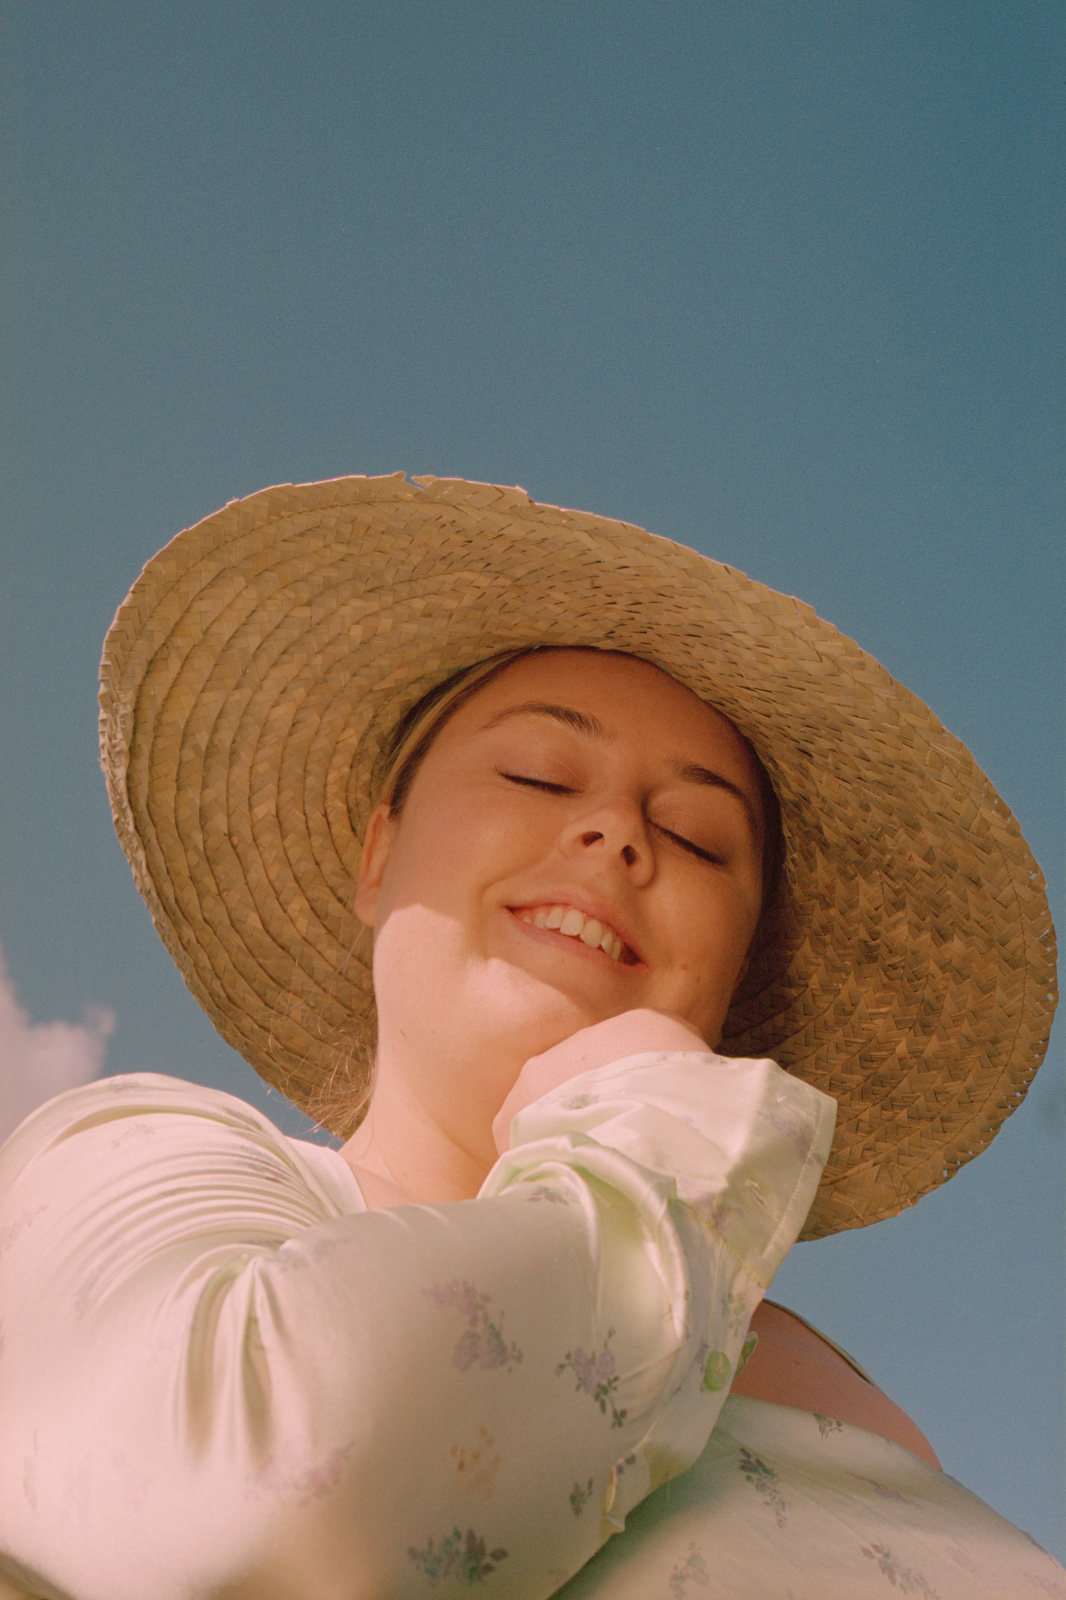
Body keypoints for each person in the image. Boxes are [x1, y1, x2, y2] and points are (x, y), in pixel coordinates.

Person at [0, 474, 1059, 1600]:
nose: (616, 833)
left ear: (738, 968)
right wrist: (654, 1137)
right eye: (538, 773)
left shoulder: (835, 1383)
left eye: (698, 837)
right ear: (378, 854)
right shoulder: (137, 1163)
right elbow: (244, 1498)